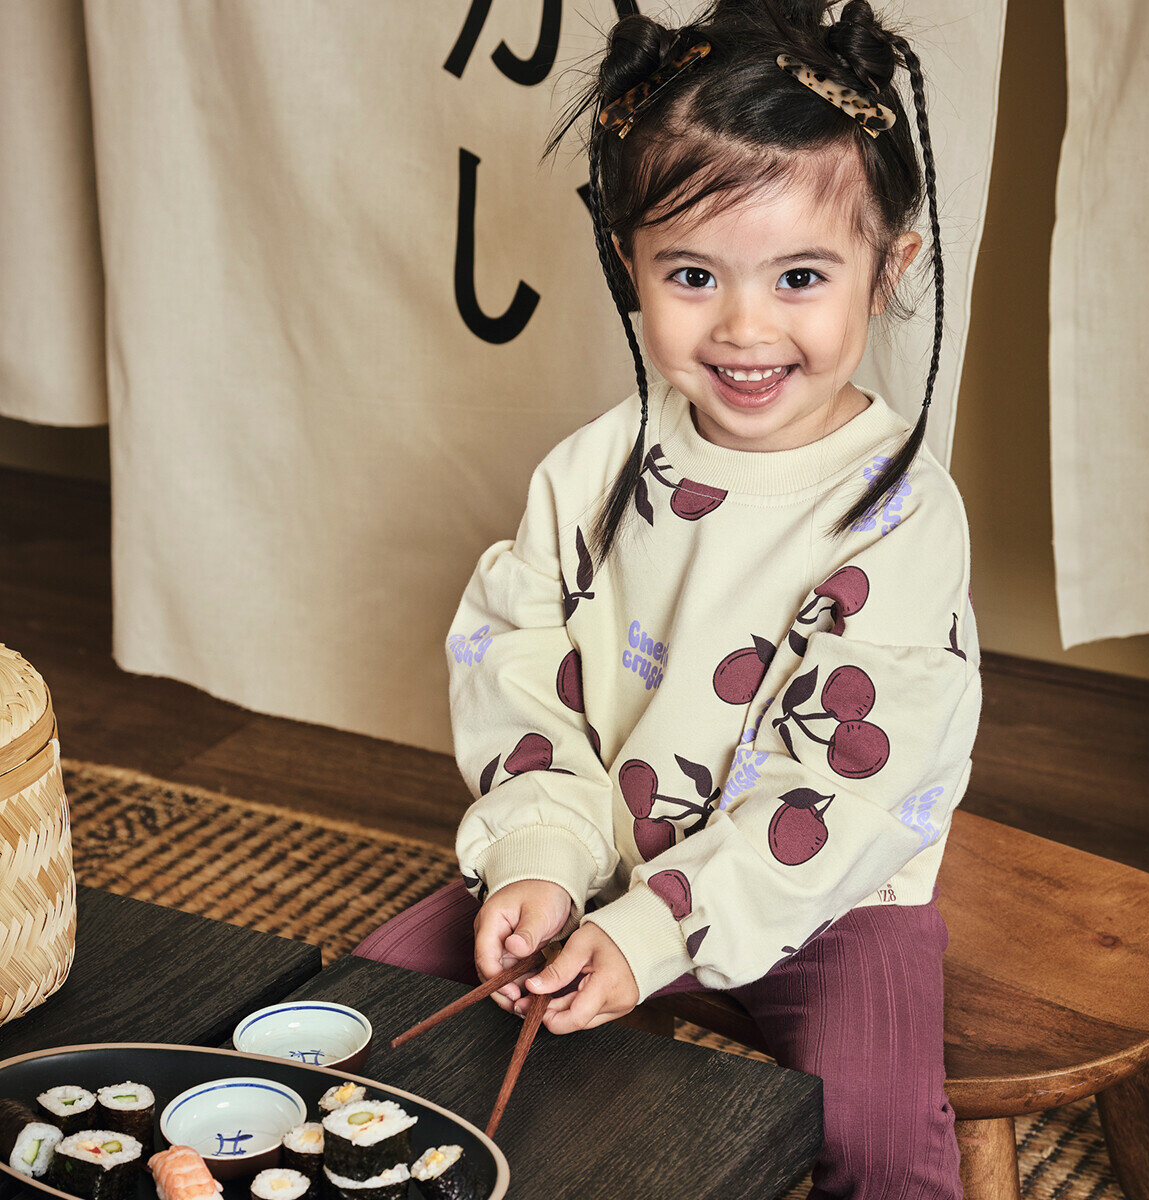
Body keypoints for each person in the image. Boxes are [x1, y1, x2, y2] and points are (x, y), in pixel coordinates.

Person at [357, 1, 981, 1195]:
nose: (745, 327)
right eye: (693, 274)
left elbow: (843, 795)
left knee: (878, 1132)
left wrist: (652, 936)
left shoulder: (901, 515)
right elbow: (518, 661)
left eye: (801, 276)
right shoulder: (594, 468)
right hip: (600, 849)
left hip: (825, 895)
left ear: (889, 271)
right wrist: (541, 856)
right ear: (627, 262)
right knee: (374, 1005)